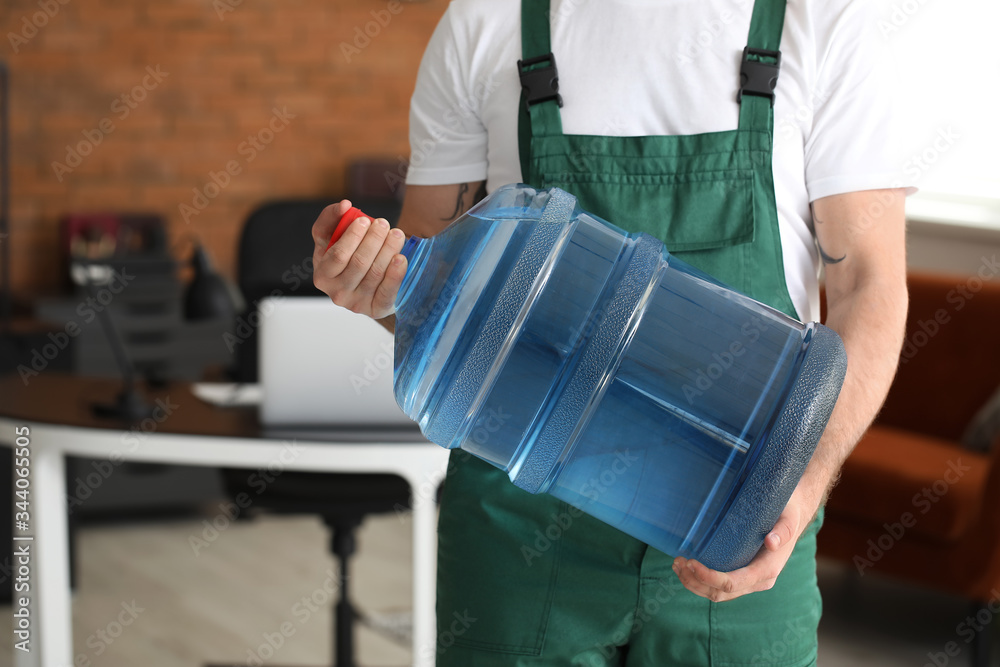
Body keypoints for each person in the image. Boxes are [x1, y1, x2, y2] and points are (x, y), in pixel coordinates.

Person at [312, 0, 909, 664]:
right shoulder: (487, 21)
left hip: (748, 522)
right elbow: (426, 296)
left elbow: (871, 288)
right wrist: (367, 283)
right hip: (517, 534)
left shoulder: (818, 19)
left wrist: (803, 485)